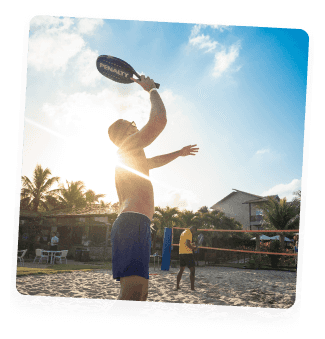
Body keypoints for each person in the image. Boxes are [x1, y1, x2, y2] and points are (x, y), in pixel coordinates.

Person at [108, 75, 199, 303]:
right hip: (132, 223)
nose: (137, 127)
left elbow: (154, 162)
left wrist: (178, 153)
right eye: (133, 126)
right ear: (125, 133)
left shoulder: (131, 158)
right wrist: (150, 90)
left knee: (138, 297)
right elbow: (158, 120)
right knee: (132, 297)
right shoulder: (126, 147)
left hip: (137, 224)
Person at [176, 226, 198, 291]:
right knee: (192, 270)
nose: (194, 233)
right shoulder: (189, 233)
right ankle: (192, 288)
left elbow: (185, 243)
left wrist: (192, 245)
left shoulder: (183, 232)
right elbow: (188, 244)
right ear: (193, 229)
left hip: (181, 253)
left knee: (181, 270)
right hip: (187, 254)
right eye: (194, 232)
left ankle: (177, 286)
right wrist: (193, 248)